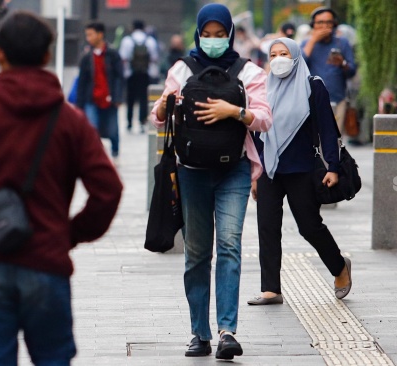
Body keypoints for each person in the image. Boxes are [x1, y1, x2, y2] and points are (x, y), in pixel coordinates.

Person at [0, 11, 122, 365]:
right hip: (46, 261)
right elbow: (108, 189)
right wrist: (69, 233)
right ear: (47, 56)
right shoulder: (69, 121)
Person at [151, 3, 272, 360]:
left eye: (221, 35)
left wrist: (232, 111)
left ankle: (226, 331)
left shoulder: (247, 71)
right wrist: (162, 106)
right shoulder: (182, 68)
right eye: (208, 34)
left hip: (233, 170)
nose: (214, 41)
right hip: (191, 172)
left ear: (231, 35)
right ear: (198, 34)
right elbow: (159, 117)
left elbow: (265, 118)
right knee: (197, 254)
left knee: (230, 247)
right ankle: (199, 333)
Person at [247, 38, 352, 306]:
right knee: (267, 228)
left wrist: (334, 166)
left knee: (309, 226)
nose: (279, 58)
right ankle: (271, 289)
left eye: (284, 53)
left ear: (295, 56)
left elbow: (328, 129)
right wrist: (255, 172)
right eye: (274, 54)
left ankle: (339, 267)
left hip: (303, 168)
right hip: (270, 169)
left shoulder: (312, 85)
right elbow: (257, 134)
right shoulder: (262, 88)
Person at [301, 7, 356, 139]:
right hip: (312, 100)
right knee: (314, 139)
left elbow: (352, 71)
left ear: (334, 24)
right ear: (313, 25)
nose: (324, 26)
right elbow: (298, 66)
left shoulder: (342, 43)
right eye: (320, 23)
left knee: (334, 140)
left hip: (337, 99)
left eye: (328, 22)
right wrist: (312, 40)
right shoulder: (306, 43)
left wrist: (342, 63)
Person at [76, 21, 123, 163]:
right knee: (93, 129)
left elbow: (119, 76)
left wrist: (118, 96)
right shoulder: (86, 56)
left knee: (113, 130)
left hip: (110, 98)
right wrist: (79, 104)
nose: (88, 38)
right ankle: (97, 156)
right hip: (92, 98)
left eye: (90, 34)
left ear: (100, 34)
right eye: (87, 35)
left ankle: (115, 153)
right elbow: (82, 81)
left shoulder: (113, 54)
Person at [120, 20, 159, 134]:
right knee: (143, 99)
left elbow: (123, 57)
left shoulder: (127, 40)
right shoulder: (150, 41)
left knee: (130, 99)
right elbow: (154, 58)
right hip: (145, 73)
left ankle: (129, 123)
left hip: (130, 74)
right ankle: (142, 122)